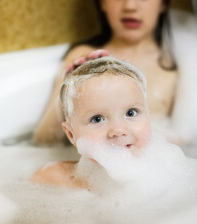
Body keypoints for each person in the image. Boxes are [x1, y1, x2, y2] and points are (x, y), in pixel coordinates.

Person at [33, 0, 177, 144]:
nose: (130, 6)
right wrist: (67, 95)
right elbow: (44, 140)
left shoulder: (177, 69)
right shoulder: (82, 56)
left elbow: (185, 141)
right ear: (102, 3)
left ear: (163, 4)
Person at [31, 56, 152, 189]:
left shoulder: (163, 176)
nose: (118, 130)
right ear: (71, 135)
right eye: (97, 119)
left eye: (131, 113)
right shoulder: (53, 179)